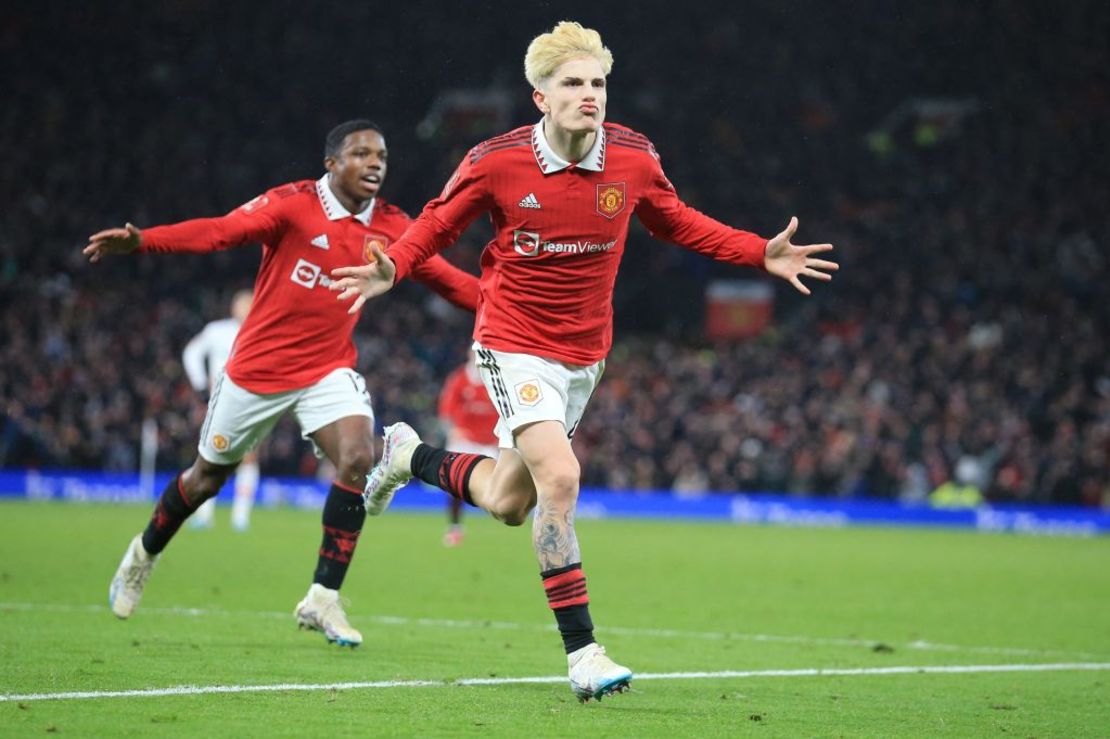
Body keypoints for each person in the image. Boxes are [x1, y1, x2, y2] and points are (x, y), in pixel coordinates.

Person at [330, 22, 837, 699]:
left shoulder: (631, 157)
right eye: (573, 83)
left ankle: (406, 455)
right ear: (540, 96)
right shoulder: (495, 160)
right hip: (512, 340)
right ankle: (583, 652)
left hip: (585, 353)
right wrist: (394, 263)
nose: (589, 94)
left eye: (598, 82)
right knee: (560, 480)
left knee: (510, 501)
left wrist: (757, 251)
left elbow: (676, 219)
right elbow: (437, 222)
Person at [83, 119, 479, 647]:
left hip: (327, 370)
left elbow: (450, 281)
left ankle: (323, 598)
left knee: (359, 457)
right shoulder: (292, 205)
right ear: (331, 164)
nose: (375, 163)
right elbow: (220, 231)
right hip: (256, 372)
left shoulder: (390, 226)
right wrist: (144, 242)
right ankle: (143, 554)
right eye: (360, 154)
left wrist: (522, 309)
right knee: (205, 480)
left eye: (381, 154)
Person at [181, 289, 259, 532]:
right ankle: (204, 514)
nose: (244, 309)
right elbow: (191, 353)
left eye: (249, 305)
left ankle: (241, 516)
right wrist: (201, 385)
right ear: (233, 307)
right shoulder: (217, 331)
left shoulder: (263, 333)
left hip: (252, 402)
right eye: (240, 304)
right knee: (213, 453)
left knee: (249, 456)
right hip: (219, 401)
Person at [436, 348, 500, 547]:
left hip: (490, 443)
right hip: (464, 440)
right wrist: (452, 430)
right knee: (453, 485)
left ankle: (495, 525)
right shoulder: (459, 379)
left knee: (497, 488)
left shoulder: (497, 378)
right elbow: (446, 410)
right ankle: (455, 527)